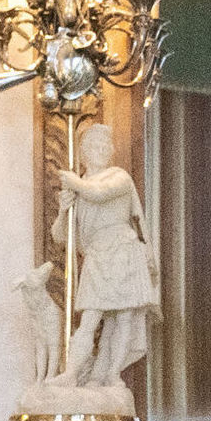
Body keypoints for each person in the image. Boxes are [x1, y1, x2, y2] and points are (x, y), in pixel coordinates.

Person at [53, 121, 157, 390]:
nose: (100, 150)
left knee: (123, 316)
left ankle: (111, 374)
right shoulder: (80, 186)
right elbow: (60, 236)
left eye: (104, 145)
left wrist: (74, 183)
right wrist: (64, 210)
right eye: (94, 145)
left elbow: (100, 194)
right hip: (97, 254)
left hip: (123, 250)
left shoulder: (118, 177)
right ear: (84, 152)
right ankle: (73, 373)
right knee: (89, 317)